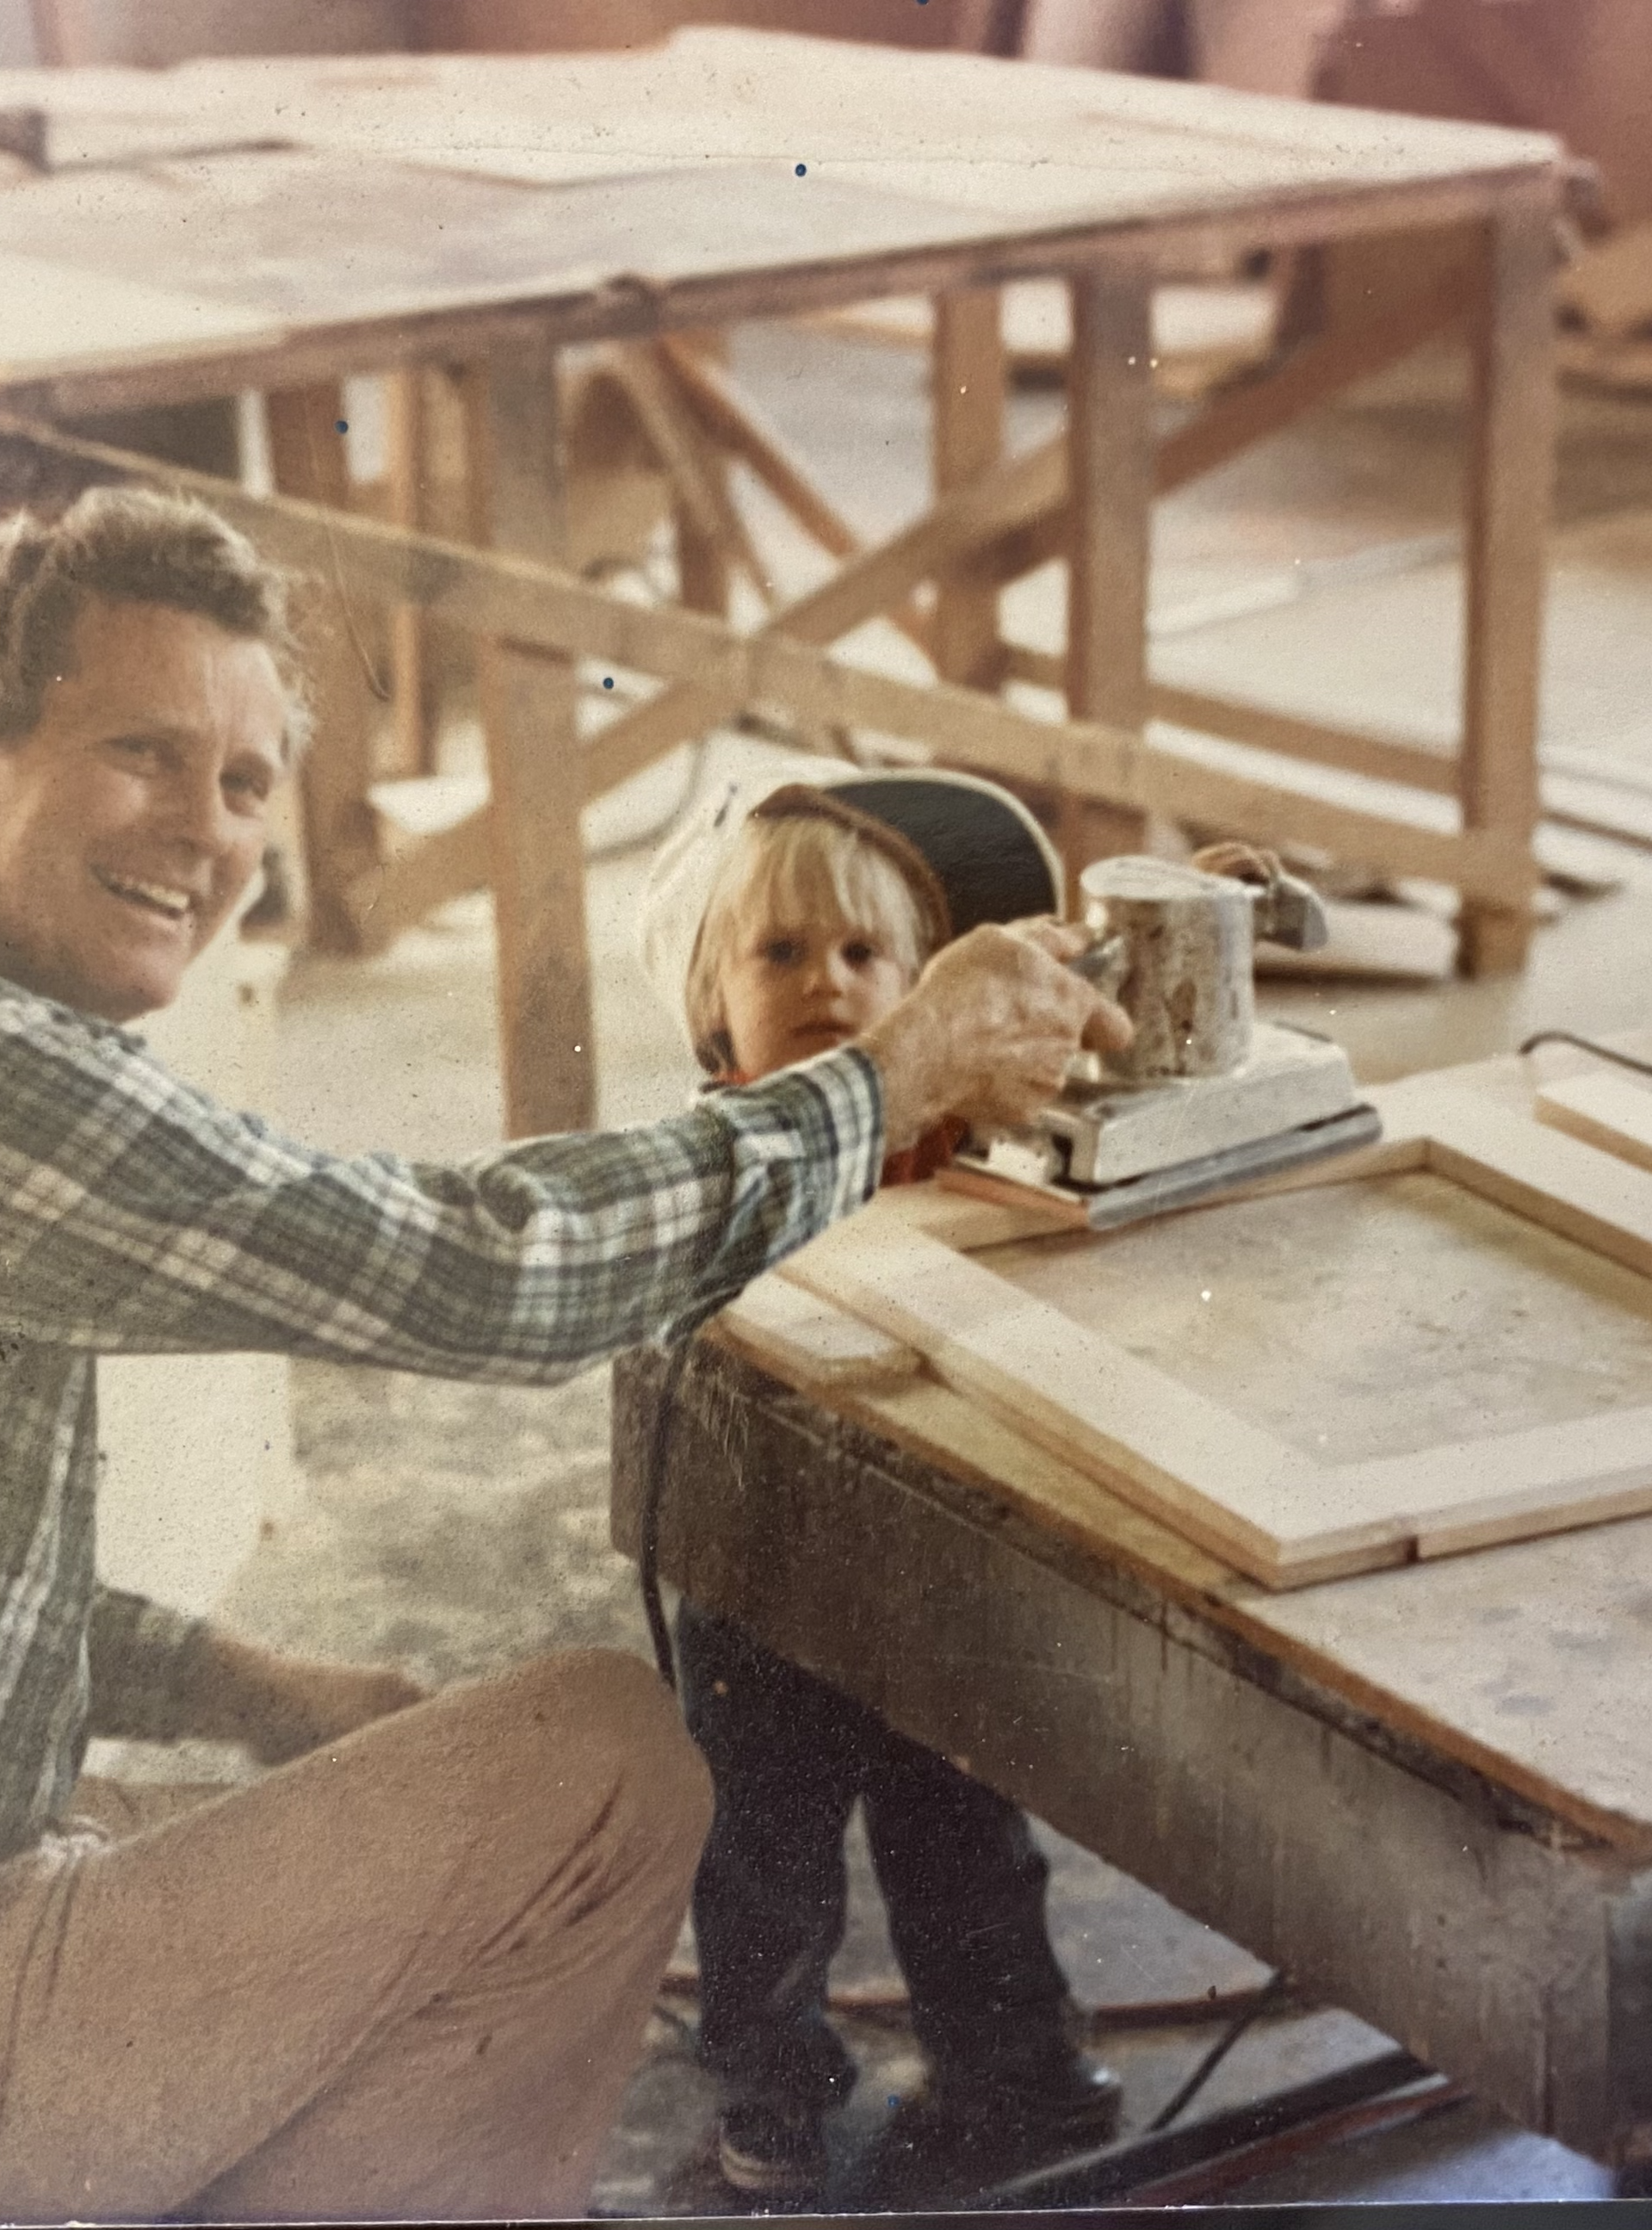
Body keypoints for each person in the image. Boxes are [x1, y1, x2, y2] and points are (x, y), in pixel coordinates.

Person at [0, 487, 1128, 2227]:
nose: (203, 832)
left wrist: (249, 1683)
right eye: (143, 753)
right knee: (600, 1755)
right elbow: (469, 1271)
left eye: (248, 781)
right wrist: (887, 1077)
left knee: (301, 1838)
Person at [636, 773, 1123, 2203]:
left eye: (864, 957)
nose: (826, 985)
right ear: (714, 1008)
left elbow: (1050, 989)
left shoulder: (951, 1130)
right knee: (759, 1864)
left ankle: (1018, 2063)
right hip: (756, 1571)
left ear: (922, 992)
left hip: (928, 1567)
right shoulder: (717, 1144)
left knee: (964, 1833)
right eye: (778, 954)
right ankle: (774, 2097)